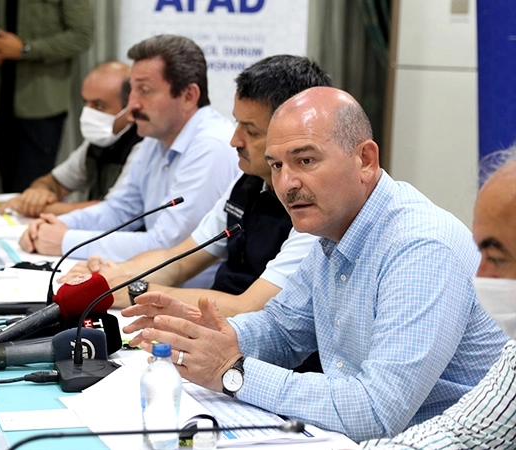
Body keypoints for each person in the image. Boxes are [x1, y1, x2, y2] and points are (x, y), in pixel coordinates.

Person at [121, 87, 508, 442]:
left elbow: (375, 412)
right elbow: (282, 331)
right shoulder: (332, 230)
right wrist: (206, 334)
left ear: (365, 160)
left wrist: (232, 370)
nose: (286, 183)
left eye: (305, 160)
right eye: (276, 166)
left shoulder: (419, 246)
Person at [60, 55, 330, 316]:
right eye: (237, 123)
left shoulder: (314, 205)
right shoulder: (249, 182)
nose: (234, 140)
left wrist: (133, 290)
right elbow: (179, 260)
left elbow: (250, 307)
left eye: (251, 131)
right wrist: (111, 277)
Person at [19, 34, 239, 260]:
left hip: (190, 282)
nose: (132, 104)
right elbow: (118, 210)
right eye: (132, 90)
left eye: (144, 90)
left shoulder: (211, 146)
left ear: (188, 96)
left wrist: (65, 241)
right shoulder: (154, 140)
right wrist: (55, 225)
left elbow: (169, 246)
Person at [360, 146, 516, 449]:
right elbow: (462, 434)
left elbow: (374, 411)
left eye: (497, 257)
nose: (482, 275)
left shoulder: (425, 242)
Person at [0, 62, 142, 218]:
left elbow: (116, 210)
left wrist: (41, 208)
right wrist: (38, 193)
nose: (88, 113)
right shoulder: (99, 142)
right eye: (85, 102)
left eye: (98, 105)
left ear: (130, 109)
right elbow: (55, 182)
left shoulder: (143, 146)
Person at [0, 0, 93, 193]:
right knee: (8, 191)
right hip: (0, 103)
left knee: (31, 190)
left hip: (41, 106)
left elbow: (81, 37)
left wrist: (26, 50)